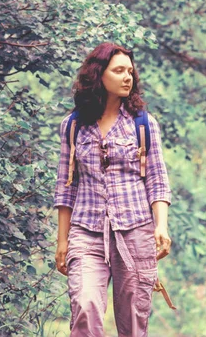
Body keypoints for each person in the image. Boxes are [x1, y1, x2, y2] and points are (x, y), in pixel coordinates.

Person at [53, 42, 172, 337]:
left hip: (136, 233)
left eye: (130, 71)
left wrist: (161, 226)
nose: (127, 77)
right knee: (85, 305)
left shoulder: (143, 125)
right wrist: (62, 240)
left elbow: (157, 180)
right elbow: (65, 188)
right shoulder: (73, 126)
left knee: (133, 321)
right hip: (86, 232)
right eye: (119, 70)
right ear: (99, 75)